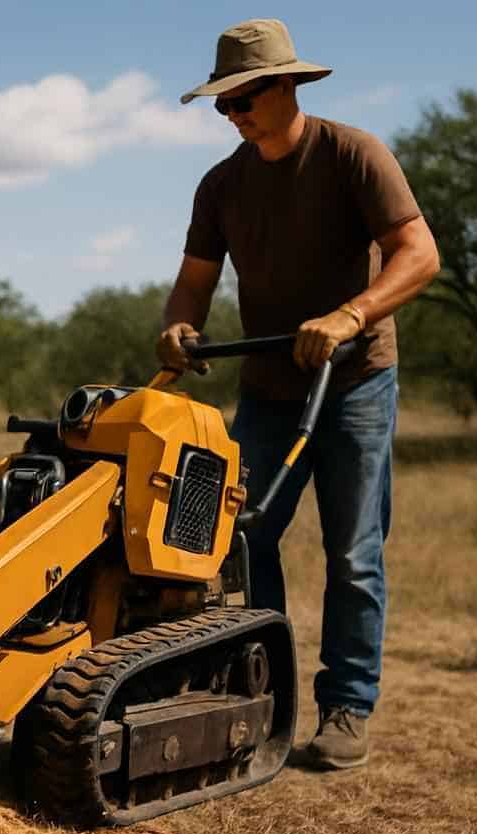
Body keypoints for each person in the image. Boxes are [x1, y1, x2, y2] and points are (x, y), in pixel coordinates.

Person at [156, 19, 440, 769]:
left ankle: (346, 708)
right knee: (238, 539)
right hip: (269, 387)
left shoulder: (353, 154)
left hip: (353, 382)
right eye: (223, 105)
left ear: (288, 85)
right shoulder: (221, 185)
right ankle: (263, 698)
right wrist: (179, 330)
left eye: (245, 97)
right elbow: (192, 283)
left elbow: (420, 253)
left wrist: (351, 315)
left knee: (352, 553)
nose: (234, 115)